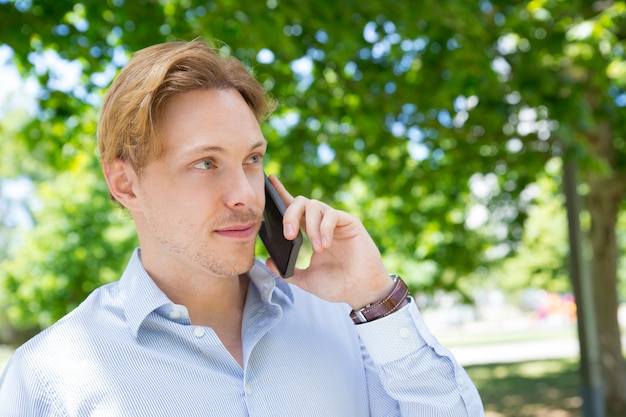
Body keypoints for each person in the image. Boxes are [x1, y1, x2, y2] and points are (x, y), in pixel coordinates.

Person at [0, 38, 484, 416]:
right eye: (206, 163)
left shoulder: (349, 319)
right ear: (125, 184)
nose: (246, 196)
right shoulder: (51, 374)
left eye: (252, 159)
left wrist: (380, 302)